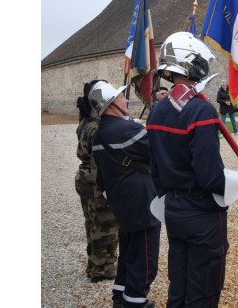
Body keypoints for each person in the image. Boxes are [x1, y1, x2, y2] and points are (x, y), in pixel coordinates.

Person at [146, 32, 238, 307]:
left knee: (179, 285)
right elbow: (210, 177)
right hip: (201, 213)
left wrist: (170, 197)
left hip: (173, 207)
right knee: (204, 290)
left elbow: (156, 169)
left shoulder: (157, 111)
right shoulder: (200, 111)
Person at [89, 81, 160, 308]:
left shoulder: (97, 135)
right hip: (142, 203)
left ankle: (120, 296)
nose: (126, 100)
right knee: (145, 258)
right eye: (121, 97)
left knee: (129, 252)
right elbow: (159, 152)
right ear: (111, 105)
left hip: (121, 203)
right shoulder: (127, 129)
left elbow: (100, 177)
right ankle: (136, 302)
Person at [74, 80, 118, 283]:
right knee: (104, 224)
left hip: (85, 177)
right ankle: (103, 268)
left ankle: (94, 264)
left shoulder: (85, 122)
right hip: (97, 180)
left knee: (92, 222)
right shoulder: (96, 127)